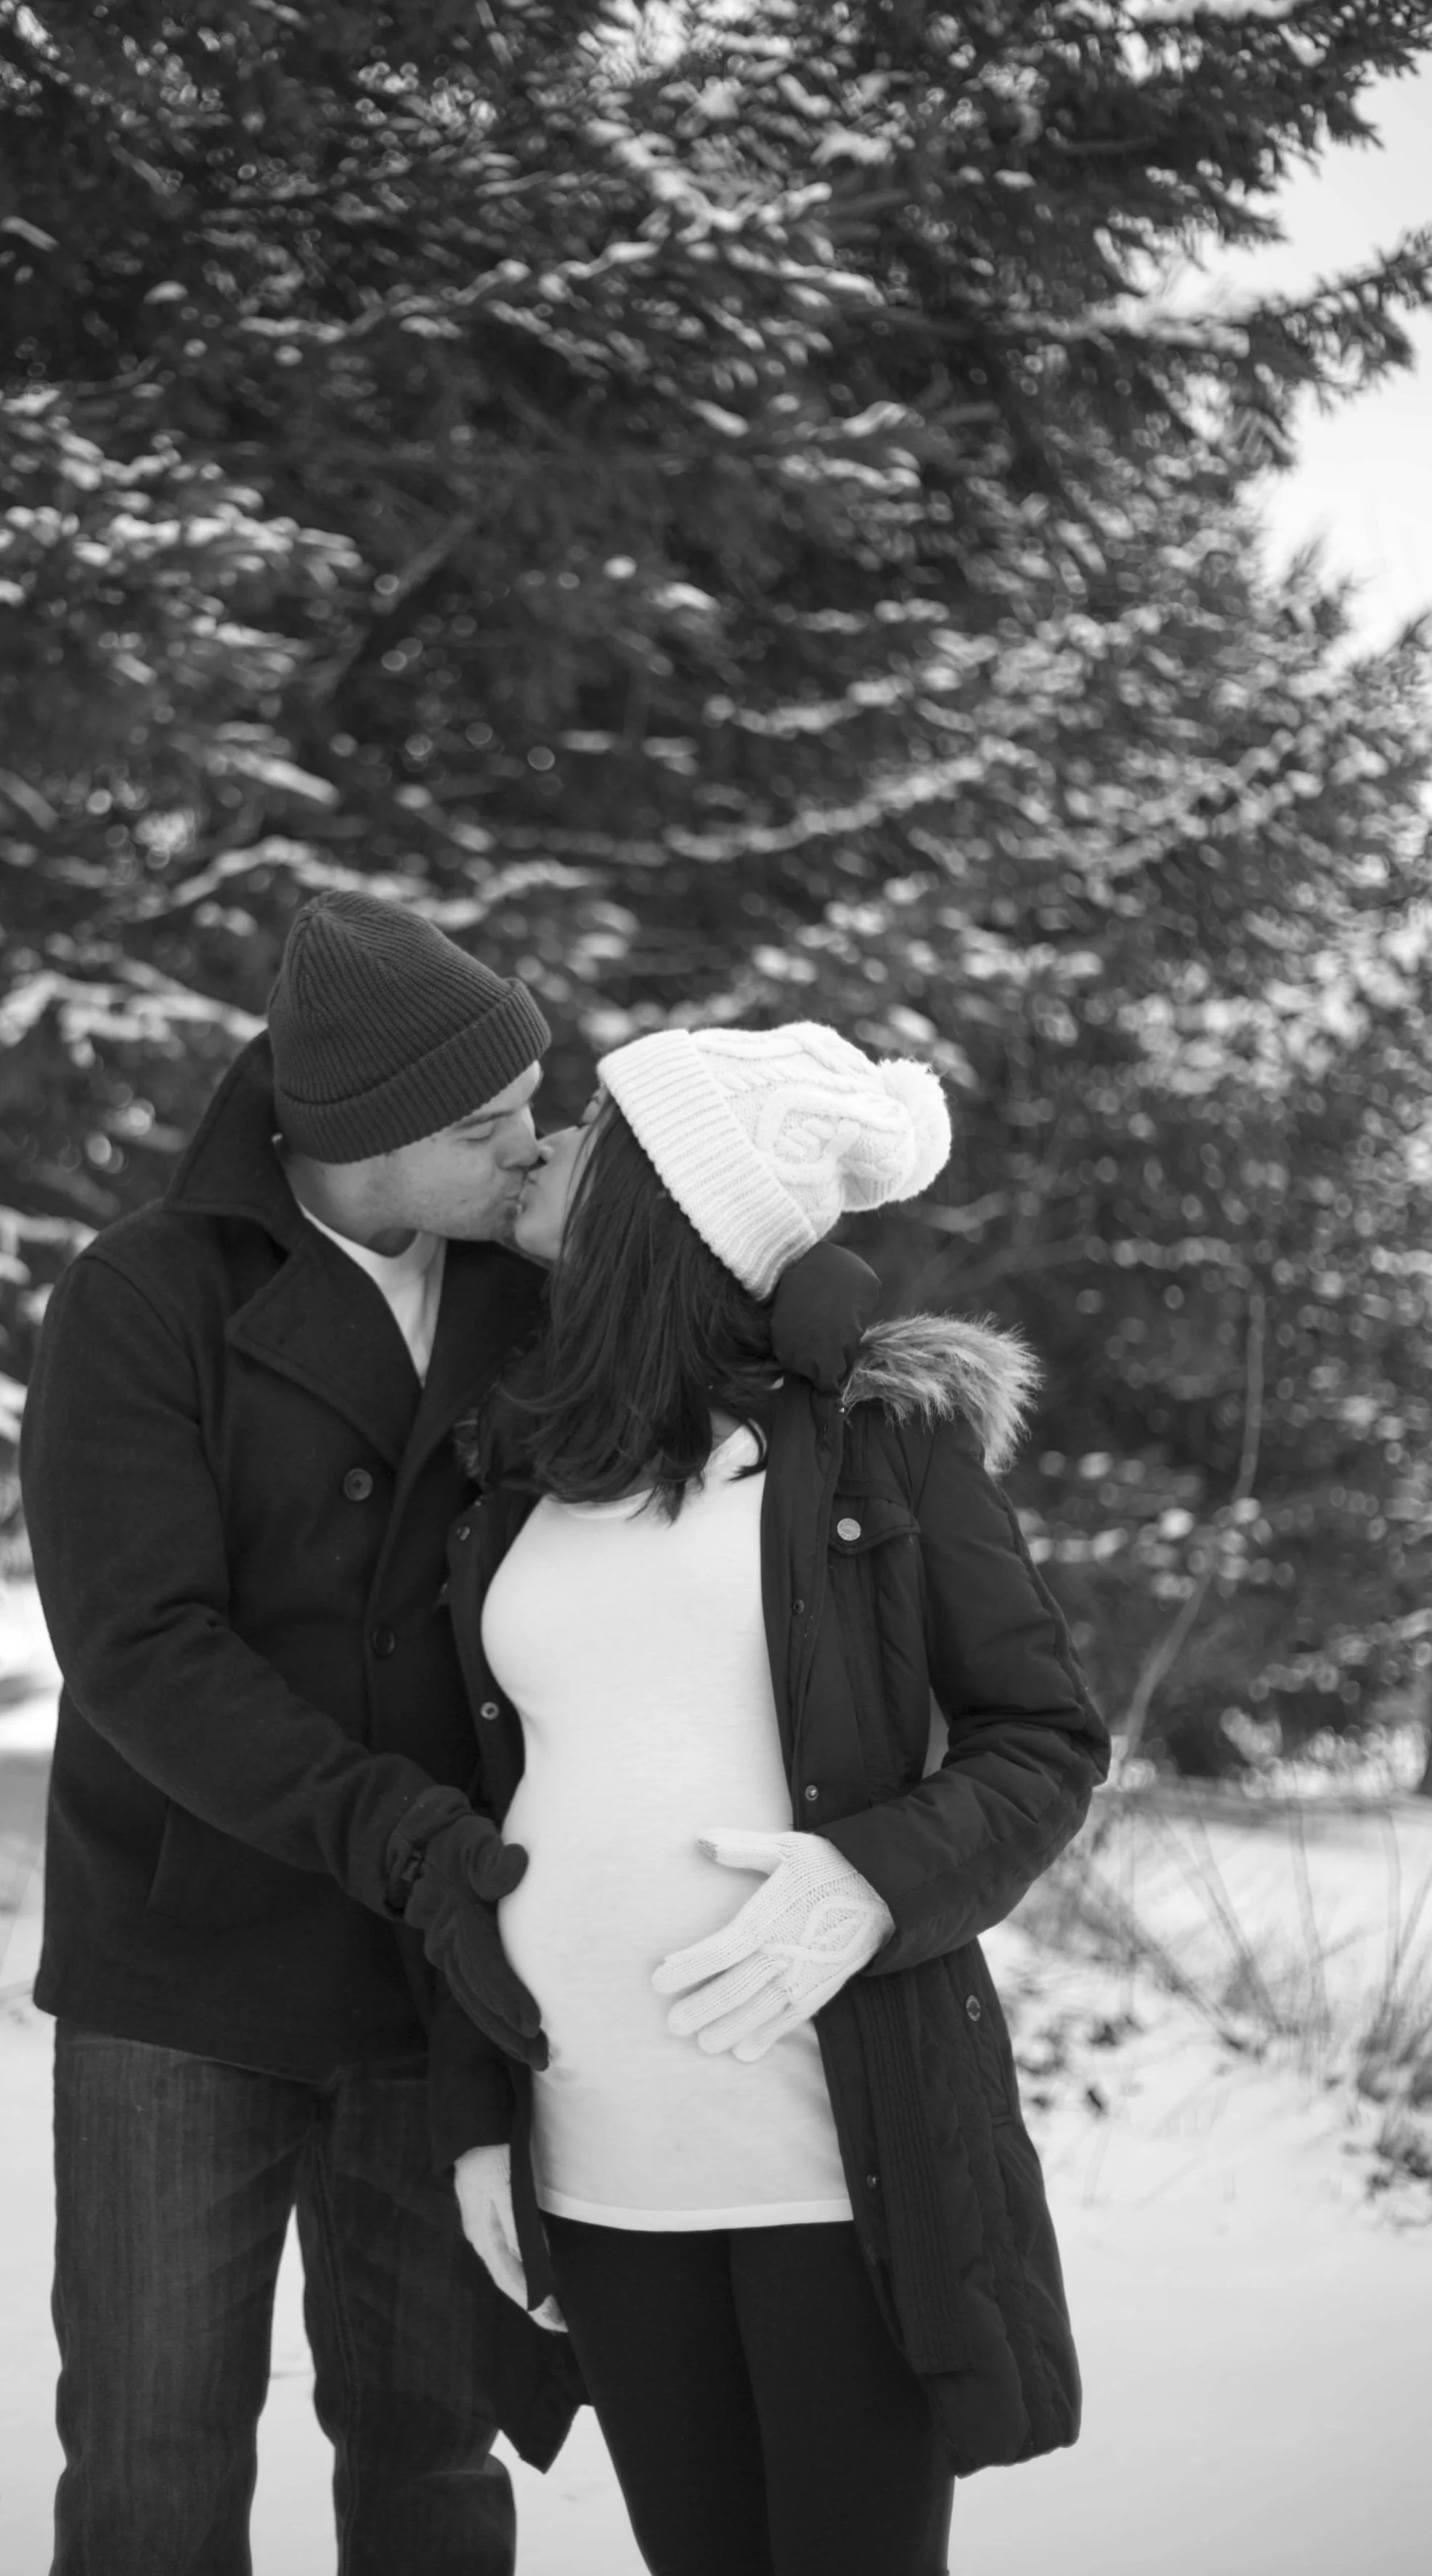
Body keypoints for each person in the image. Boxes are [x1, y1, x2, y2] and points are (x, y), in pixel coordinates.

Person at [435, 1021, 1112, 2576]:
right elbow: (489, 1806)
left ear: (665, 1197)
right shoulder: (525, 1462)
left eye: (593, 1123)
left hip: (826, 2154)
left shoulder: (878, 1443)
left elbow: (1042, 1738)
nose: (548, 1140)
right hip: (597, 2155)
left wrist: (869, 1881)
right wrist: (481, 2119)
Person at [20, 890, 582, 2576]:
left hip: (438, 1981)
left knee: (432, 2460)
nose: (529, 1146)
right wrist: (394, 1832)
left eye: (530, 1104)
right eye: (484, 1127)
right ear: (357, 1136)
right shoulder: (141, 1297)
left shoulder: (528, 1294)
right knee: (152, 2465)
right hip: (184, 1972)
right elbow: (139, 1648)